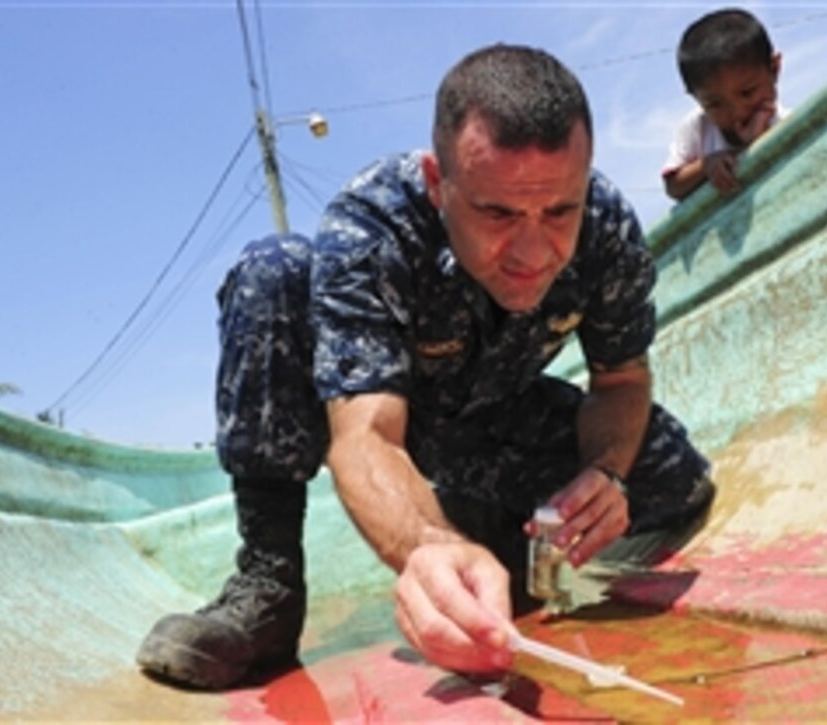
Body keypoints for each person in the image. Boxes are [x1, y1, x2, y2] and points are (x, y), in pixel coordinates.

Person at [136, 43, 714, 690]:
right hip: (397, 423)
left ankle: (509, 557)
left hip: (497, 420)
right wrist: (432, 550)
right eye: (497, 212)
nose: (532, 250)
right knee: (273, 272)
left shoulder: (606, 226)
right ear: (440, 184)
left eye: (559, 211)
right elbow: (366, 433)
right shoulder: (373, 224)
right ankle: (268, 585)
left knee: (674, 476)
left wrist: (602, 471)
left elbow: (622, 379)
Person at [662, 8, 787, 201]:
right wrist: (707, 165)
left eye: (747, 92)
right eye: (714, 104)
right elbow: (672, 186)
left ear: (774, 69)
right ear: (695, 98)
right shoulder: (697, 127)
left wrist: (758, 142)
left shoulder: (786, 124)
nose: (737, 112)